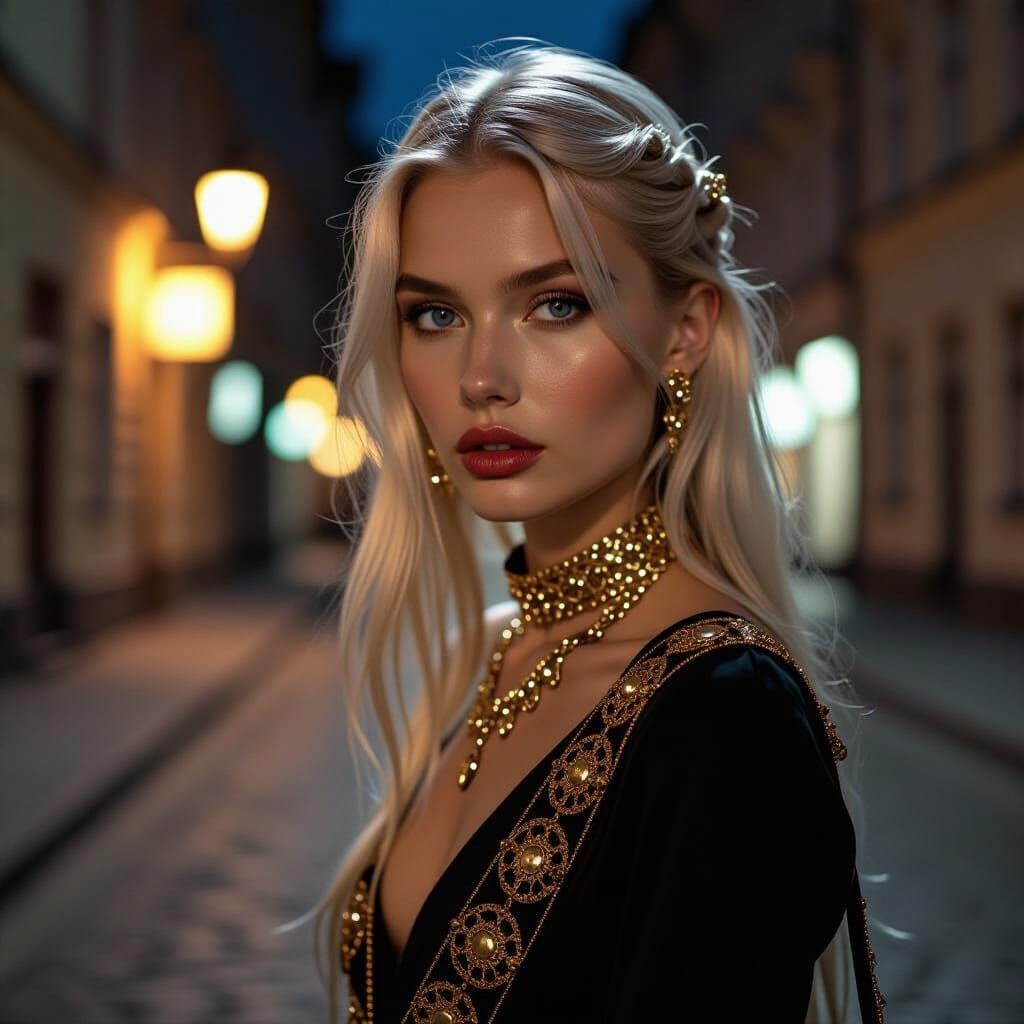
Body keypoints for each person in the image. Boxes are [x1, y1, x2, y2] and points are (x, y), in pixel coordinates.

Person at [313, 40, 887, 1024]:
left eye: (555, 304)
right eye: (436, 314)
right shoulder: (486, 653)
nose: (481, 377)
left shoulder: (726, 717)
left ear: (685, 330)